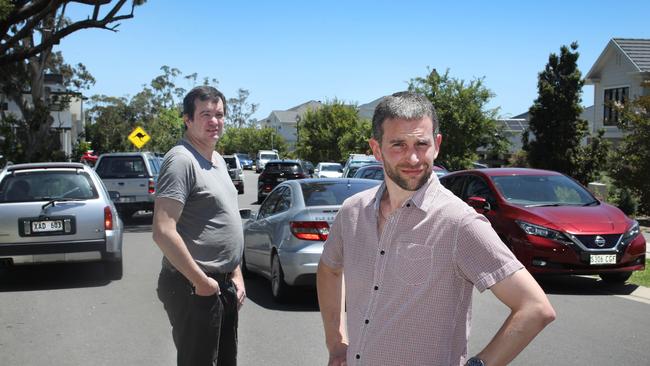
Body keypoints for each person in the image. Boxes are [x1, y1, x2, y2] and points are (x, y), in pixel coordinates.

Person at [317, 92, 556, 366]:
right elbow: (330, 268)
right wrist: (336, 344)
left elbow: (535, 308)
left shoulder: (460, 223)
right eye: (398, 145)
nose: (414, 158)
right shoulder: (352, 211)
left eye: (421, 143)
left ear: (437, 144)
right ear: (376, 149)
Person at [152, 86, 246, 366]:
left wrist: (236, 273)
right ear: (188, 120)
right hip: (194, 287)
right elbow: (163, 230)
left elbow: (223, 221)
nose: (214, 121)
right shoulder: (181, 160)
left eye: (219, 114)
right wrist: (201, 282)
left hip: (222, 284)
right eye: (205, 114)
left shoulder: (216, 159)